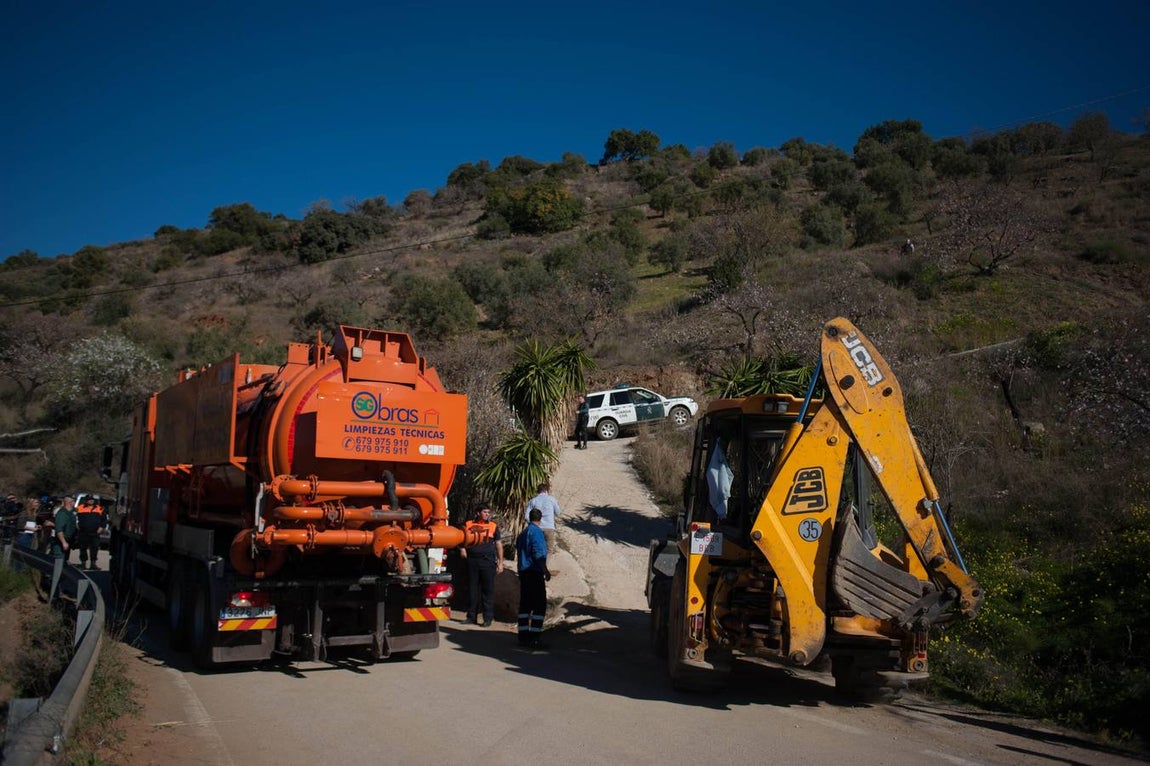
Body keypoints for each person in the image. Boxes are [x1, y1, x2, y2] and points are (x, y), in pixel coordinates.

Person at [461, 503, 503, 627]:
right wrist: (462, 549)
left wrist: (500, 562)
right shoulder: (469, 524)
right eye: (484, 512)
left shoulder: (493, 526)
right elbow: (461, 539)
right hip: (472, 560)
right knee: (472, 589)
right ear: (478, 512)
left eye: (488, 512)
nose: (487, 514)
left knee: (488, 590)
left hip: (487, 561)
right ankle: (471, 616)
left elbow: (498, 544)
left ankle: (487, 618)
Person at [515, 508, 550, 650]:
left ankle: (523, 636)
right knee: (539, 604)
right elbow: (538, 553)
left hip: (523, 572)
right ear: (540, 519)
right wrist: (545, 570)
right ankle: (535, 638)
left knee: (525, 604)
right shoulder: (537, 533)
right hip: (533, 572)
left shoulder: (523, 533)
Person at [525, 482, 560, 557]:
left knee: (536, 548)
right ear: (546, 491)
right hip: (549, 527)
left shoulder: (533, 500)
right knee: (549, 550)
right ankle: (544, 567)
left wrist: (532, 524)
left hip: (537, 528)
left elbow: (526, 516)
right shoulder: (552, 499)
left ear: (538, 491)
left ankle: (536, 566)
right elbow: (558, 512)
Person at [75, 495, 107, 569]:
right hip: (83, 532)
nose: (91, 501)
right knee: (83, 548)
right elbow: (75, 517)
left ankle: (93, 564)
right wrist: (76, 524)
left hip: (95, 532)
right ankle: (83, 564)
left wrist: (102, 527)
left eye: (92, 499)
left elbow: (104, 520)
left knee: (94, 548)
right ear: (86, 500)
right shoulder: (80, 508)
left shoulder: (100, 508)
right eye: (89, 500)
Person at [51, 494, 78, 563]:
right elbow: (59, 530)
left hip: (69, 540)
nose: (74, 503)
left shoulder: (72, 513)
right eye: (73, 501)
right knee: (59, 559)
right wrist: (63, 542)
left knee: (64, 560)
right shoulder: (62, 513)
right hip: (60, 541)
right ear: (69, 502)